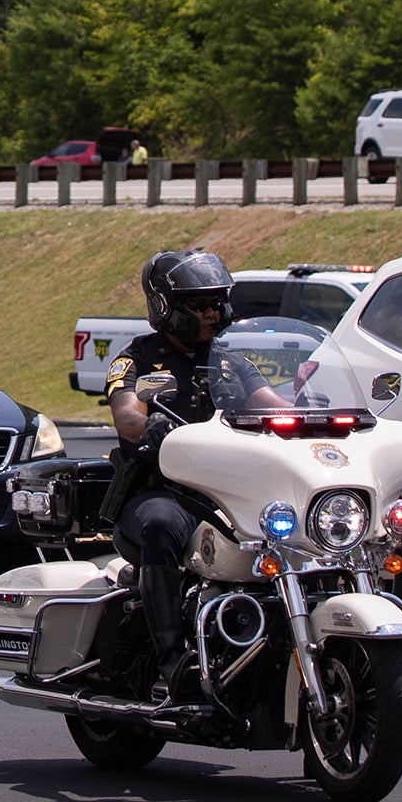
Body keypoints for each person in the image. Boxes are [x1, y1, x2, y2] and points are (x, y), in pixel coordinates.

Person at [100, 249, 232, 701]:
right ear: (167, 308)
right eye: (200, 305)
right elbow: (127, 416)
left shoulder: (230, 360)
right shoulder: (136, 360)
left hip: (225, 494)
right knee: (160, 525)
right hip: (162, 493)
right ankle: (174, 658)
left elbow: (274, 402)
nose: (213, 312)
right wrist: (148, 424)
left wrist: (312, 415)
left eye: (218, 302)